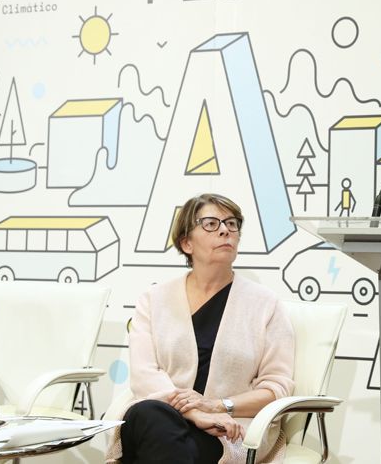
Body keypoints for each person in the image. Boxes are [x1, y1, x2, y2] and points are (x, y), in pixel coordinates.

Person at [106, 194, 295, 464]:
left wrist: (218, 406)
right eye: (210, 223)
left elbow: (276, 389)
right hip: (159, 417)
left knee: (158, 449)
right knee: (150, 414)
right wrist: (195, 414)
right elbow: (144, 374)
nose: (224, 230)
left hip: (228, 430)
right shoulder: (154, 299)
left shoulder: (265, 304)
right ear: (186, 243)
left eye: (232, 223)